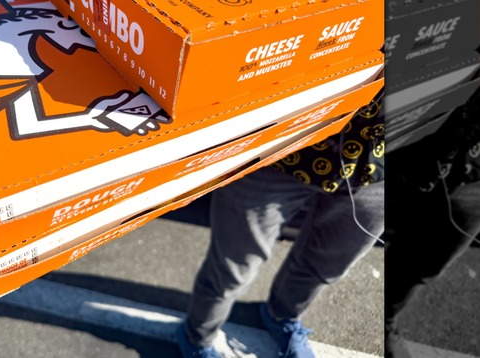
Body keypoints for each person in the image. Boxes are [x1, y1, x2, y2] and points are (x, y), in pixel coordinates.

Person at [176, 92, 386, 358]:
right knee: (232, 266)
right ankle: (196, 338)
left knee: (327, 264)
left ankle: (280, 316)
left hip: (375, 165)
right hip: (278, 149)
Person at [384, 89, 480, 358]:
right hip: (411, 149)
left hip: (472, 181)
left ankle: (386, 321)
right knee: (357, 232)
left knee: (427, 263)